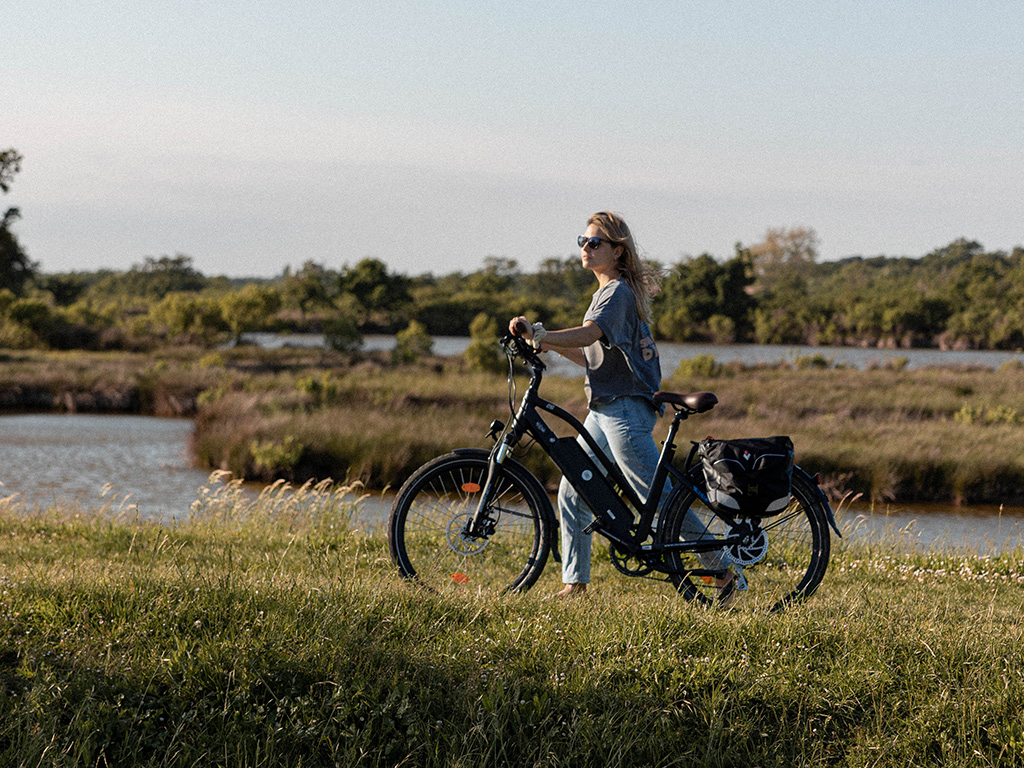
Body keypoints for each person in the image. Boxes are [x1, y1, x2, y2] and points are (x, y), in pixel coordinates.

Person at [509, 211, 736, 599]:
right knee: (574, 490)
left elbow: (588, 335)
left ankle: (722, 569)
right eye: (582, 241)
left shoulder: (616, 293)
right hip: (604, 408)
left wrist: (542, 333)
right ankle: (575, 584)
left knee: (658, 500)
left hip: (625, 410)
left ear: (617, 251)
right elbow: (592, 356)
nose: (586, 247)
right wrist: (546, 345)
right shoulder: (604, 294)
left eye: (594, 242)